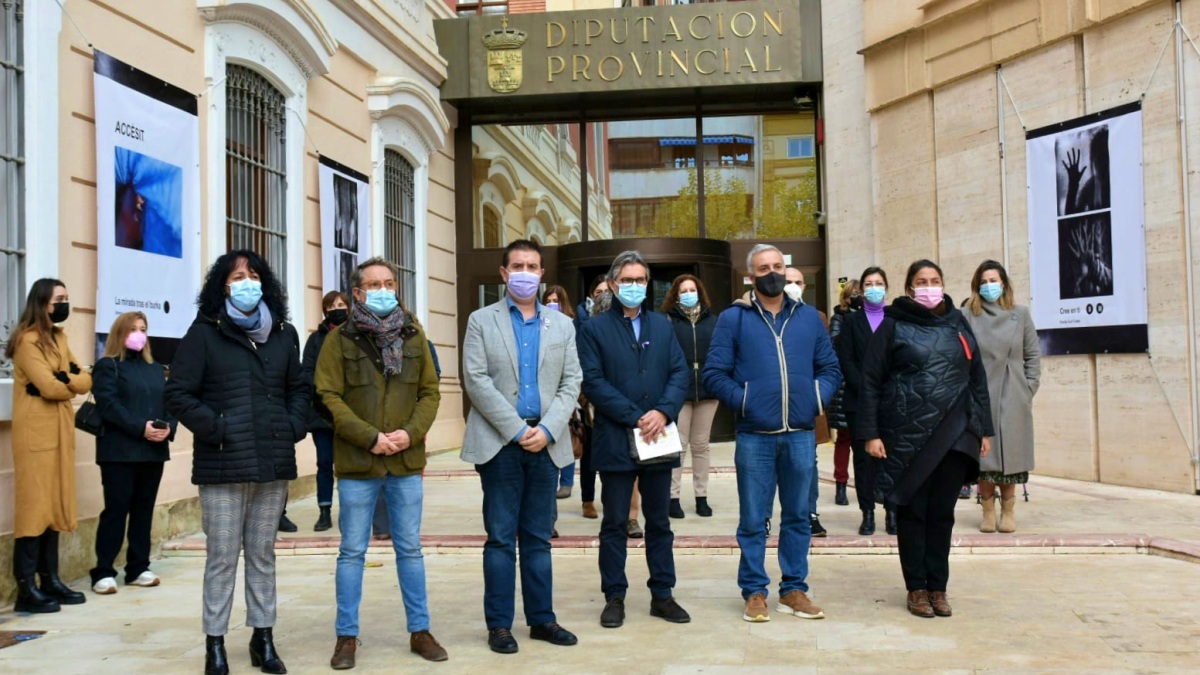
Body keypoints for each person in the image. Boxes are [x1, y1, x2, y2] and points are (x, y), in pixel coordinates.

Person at [165, 250, 309, 675]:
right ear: (222, 286)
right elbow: (178, 395)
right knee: (223, 556)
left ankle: (263, 638)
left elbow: (299, 389)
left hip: (272, 461)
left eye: (253, 275)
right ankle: (215, 644)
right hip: (223, 465)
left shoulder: (284, 334)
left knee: (262, 554)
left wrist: (293, 424)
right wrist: (217, 427)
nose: (247, 282)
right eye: (237, 276)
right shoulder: (204, 333)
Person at [315, 257, 446, 669]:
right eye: (374, 285)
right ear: (357, 293)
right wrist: (370, 437)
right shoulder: (339, 341)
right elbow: (328, 396)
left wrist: (410, 433)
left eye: (389, 282)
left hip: (405, 462)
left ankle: (420, 630)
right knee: (352, 551)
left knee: (410, 549)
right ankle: (346, 637)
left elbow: (430, 391)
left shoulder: (413, 335)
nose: (384, 289)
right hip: (358, 463)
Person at [704, 244, 840, 623]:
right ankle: (754, 591)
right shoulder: (734, 318)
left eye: (778, 266)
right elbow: (714, 373)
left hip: (799, 433)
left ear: (787, 269)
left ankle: (794, 589)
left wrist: (814, 399)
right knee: (753, 519)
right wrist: (746, 402)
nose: (772, 272)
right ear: (751, 276)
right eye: (763, 268)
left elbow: (830, 368)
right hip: (754, 436)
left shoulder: (809, 317)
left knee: (798, 515)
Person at [462, 240, 583, 654]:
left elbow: (572, 382)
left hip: (547, 444)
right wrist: (517, 430)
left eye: (532, 265)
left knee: (537, 538)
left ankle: (542, 619)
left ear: (542, 272)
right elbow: (476, 381)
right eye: (517, 266)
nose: (525, 272)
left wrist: (548, 429)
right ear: (503, 273)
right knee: (499, 537)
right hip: (500, 444)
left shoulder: (562, 325)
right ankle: (499, 625)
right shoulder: (481, 320)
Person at [857, 259, 994, 619]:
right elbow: (870, 382)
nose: (929, 286)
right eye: (921, 281)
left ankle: (939, 587)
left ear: (944, 283)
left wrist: (984, 429)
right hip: (906, 437)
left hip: (956, 433)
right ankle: (916, 588)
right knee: (913, 513)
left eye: (935, 280)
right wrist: (871, 433)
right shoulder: (892, 326)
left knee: (942, 514)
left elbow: (977, 378)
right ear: (909, 288)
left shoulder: (958, 323)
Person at [578, 250, 691, 629]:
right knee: (614, 523)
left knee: (659, 521)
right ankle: (614, 596)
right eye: (626, 280)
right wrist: (635, 417)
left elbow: (679, 372)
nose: (634, 286)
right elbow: (592, 381)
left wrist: (662, 412)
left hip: (658, 438)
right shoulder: (593, 329)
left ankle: (663, 594)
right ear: (612, 284)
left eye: (640, 280)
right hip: (615, 438)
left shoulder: (662, 325)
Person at [6, 278, 92, 614]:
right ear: (42, 303)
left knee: (54, 505)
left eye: (67, 298)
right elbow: (48, 387)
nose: (64, 304)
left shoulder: (59, 337)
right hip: (35, 439)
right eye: (60, 299)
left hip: (59, 435)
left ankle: (50, 578)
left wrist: (65, 378)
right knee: (34, 509)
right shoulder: (28, 342)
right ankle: (26, 586)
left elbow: (85, 379)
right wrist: (66, 379)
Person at [90, 311, 175, 595]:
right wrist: (142, 428)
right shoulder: (107, 366)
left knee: (143, 511)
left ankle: (138, 567)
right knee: (116, 510)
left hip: (152, 452)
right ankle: (103, 571)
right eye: (132, 329)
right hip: (119, 453)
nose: (139, 334)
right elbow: (110, 406)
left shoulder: (155, 369)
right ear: (120, 334)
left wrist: (168, 428)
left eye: (143, 329)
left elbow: (170, 403)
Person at [963, 260, 1040, 533]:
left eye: (993, 280)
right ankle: (987, 509)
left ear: (1004, 283)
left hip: (1013, 393)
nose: (988, 286)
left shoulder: (1020, 314)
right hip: (980, 393)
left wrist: (1027, 388)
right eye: (983, 282)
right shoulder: (967, 315)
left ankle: (1008, 509)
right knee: (985, 457)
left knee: (1011, 457)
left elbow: (1032, 355)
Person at [836, 267, 896, 535]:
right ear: (862, 290)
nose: (874, 288)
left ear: (886, 287)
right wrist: (867, 388)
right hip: (858, 401)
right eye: (869, 283)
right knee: (863, 460)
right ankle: (868, 512)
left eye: (879, 283)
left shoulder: (896, 320)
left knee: (892, 458)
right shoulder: (850, 322)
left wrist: (887, 390)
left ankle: (892, 511)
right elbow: (845, 359)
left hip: (892, 402)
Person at [661, 274, 719, 519]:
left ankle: (701, 497)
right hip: (679, 390)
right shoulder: (667, 321)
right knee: (679, 445)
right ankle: (673, 498)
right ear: (675, 294)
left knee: (701, 445)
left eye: (691, 289)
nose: (687, 294)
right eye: (683, 290)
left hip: (707, 390)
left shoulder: (713, 321)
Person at [784, 266, 830, 537]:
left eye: (798, 282)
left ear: (805, 287)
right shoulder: (764, 316)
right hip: (773, 404)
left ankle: (810, 513)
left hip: (806, 403)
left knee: (807, 462)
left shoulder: (817, 318)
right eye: (787, 281)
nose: (792, 286)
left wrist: (819, 395)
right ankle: (767, 516)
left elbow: (826, 363)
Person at [302, 291, 350, 532]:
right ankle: (324, 511)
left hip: (351, 414)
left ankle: (350, 511)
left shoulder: (356, 334)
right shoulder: (315, 339)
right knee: (325, 463)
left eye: (342, 305)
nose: (337, 309)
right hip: (321, 413)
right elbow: (307, 372)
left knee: (349, 464)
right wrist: (325, 394)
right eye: (332, 306)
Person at [542, 284, 579, 500]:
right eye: (548, 301)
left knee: (565, 437)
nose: (551, 304)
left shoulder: (570, 325)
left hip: (566, 393)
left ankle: (566, 481)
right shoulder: (538, 322)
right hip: (545, 392)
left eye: (555, 301)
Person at [576, 275, 609, 519]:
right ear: (591, 294)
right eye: (599, 291)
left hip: (612, 397)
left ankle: (612, 497)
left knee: (612, 452)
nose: (603, 295)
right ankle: (588, 500)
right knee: (588, 454)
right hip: (587, 397)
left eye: (607, 290)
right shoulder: (580, 321)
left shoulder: (619, 320)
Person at [827, 280, 861, 509]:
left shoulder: (873, 318)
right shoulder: (838, 319)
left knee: (863, 442)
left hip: (864, 387)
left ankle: (866, 485)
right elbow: (837, 344)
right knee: (844, 439)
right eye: (853, 295)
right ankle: (841, 484)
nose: (857, 298)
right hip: (843, 387)